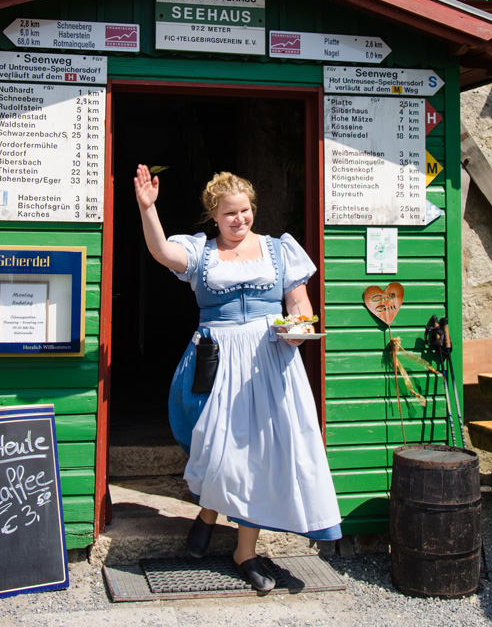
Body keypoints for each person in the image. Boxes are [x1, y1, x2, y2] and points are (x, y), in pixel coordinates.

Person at [134, 164, 342, 592]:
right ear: (214, 215)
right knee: (217, 450)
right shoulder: (201, 252)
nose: (239, 220)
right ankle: (209, 512)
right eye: (229, 213)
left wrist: (298, 330)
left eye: (245, 211)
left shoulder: (279, 250)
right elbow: (161, 253)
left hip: (270, 357)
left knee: (262, 453)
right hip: (217, 359)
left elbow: (299, 305)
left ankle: (244, 550)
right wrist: (148, 209)